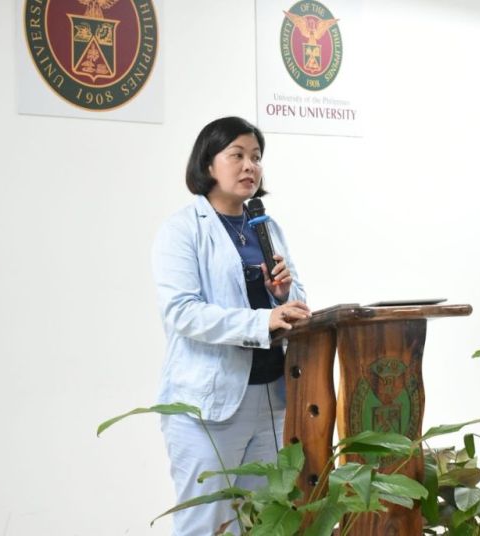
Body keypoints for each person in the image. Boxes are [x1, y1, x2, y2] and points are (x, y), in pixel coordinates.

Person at [151, 116, 311, 535]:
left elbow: (297, 306)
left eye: (256, 158)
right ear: (208, 165)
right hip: (210, 405)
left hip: (273, 398)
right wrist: (264, 319)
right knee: (210, 524)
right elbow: (182, 312)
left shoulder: (266, 226)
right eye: (236, 155)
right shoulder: (182, 230)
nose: (249, 167)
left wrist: (282, 296)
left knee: (265, 519)